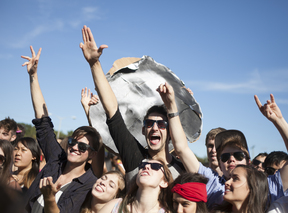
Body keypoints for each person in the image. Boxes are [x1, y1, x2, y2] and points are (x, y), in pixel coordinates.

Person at [161, 86, 288, 210]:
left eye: (238, 155)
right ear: (219, 163)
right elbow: (181, 148)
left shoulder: (267, 187)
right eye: (224, 157)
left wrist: (278, 121)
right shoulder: (215, 186)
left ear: (249, 161)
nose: (231, 159)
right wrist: (172, 107)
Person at [80, 25, 184, 189]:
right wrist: (94, 64)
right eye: (149, 123)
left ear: (170, 132)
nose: (154, 128)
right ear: (143, 130)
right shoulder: (134, 159)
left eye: (161, 124)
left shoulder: (183, 169)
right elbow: (112, 110)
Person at [21, 45, 101, 213]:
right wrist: (33, 76)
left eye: (83, 146)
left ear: (92, 154)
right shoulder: (57, 159)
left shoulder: (89, 183)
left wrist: (49, 197)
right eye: (73, 141)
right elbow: (43, 122)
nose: (75, 148)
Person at [99, 159, 173, 213]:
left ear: (164, 182)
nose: (146, 166)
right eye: (142, 165)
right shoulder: (115, 206)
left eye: (155, 166)